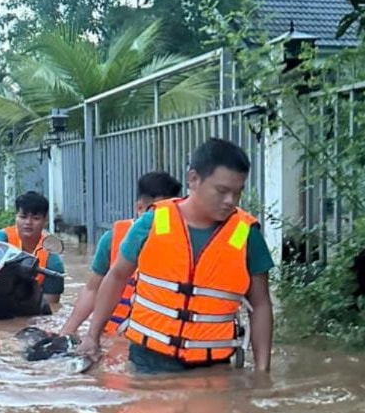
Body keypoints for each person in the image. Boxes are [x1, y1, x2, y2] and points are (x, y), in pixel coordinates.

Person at [75, 137, 274, 373]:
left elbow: (261, 304)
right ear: (193, 179)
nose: (230, 201)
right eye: (221, 191)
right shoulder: (154, 222)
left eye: (237, 193)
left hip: (213, 365)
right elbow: (116, 277)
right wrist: (92, 335)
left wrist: (263, 372)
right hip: (147, 360)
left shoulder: (247, 234)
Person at [59, 171, 183, 337]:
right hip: (112, 336)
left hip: (157, 340)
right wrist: (67, 331)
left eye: (172, 212)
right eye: (159, 212)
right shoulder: (112, 239)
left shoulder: (184, 245)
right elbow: (92, 289)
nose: (164, 219)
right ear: (139, 208)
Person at [0, 191, 65, 304]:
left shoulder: (52, 262)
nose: (28, 222)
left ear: (45, 221)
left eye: (36, 218)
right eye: (23, 217)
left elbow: (51, 308)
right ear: (15, 217)